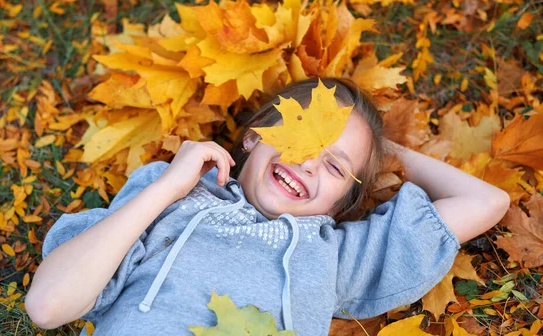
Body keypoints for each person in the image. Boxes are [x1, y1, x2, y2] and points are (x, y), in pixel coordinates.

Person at [25, 77, 510, 335]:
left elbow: (487, 201)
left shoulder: (334, 255)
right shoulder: (172, 198)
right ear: (254, 136)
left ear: (341, 204)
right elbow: (48, 306)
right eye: (300, 136)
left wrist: (385, 152)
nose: (308, 164)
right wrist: (166, 189)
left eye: (336, 167)